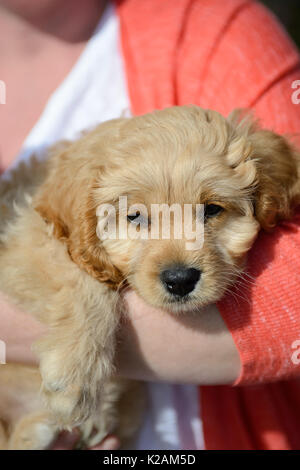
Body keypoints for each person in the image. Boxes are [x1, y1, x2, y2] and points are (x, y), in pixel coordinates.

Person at [0, 0, 299, 450]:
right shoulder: (75, 187)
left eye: (209, 212)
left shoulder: (212, 25)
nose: (178, 262)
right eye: (137, 218)